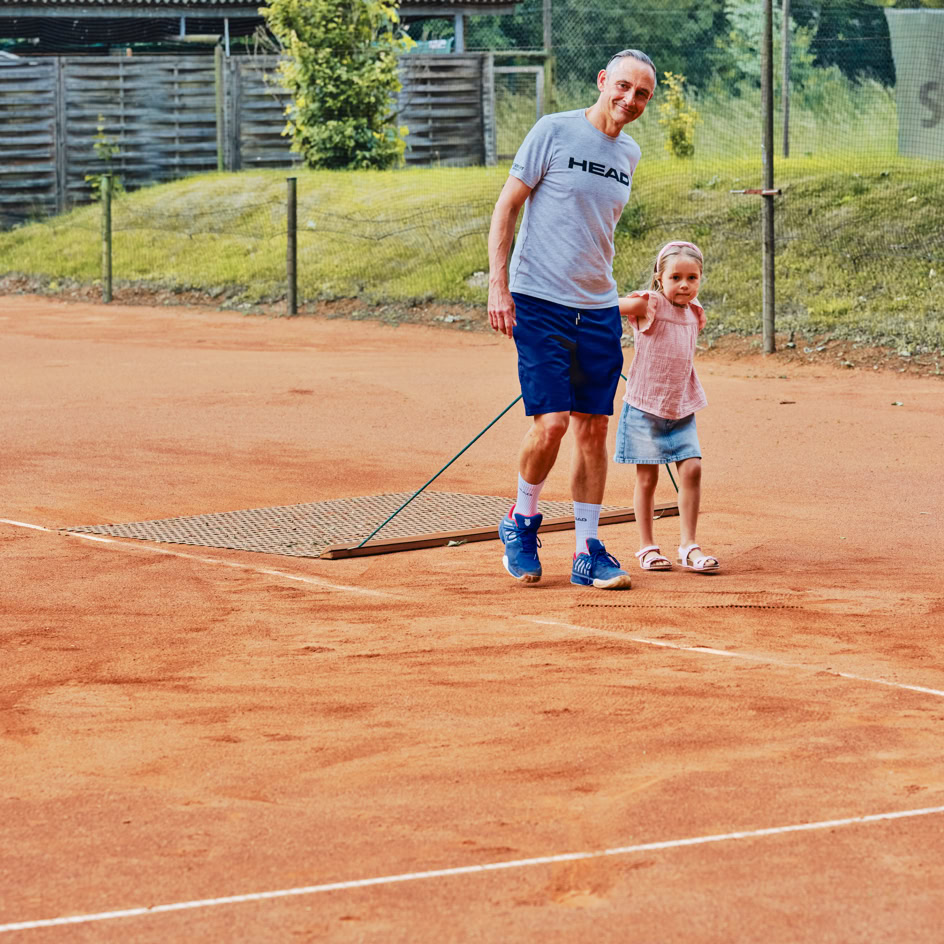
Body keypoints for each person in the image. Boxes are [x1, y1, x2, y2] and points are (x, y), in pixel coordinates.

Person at [487, 48, 657, 590]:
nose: (630, 100)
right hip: (538, 300)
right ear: (603, 79)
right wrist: (499, 284)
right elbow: (507, 206)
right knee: (553, 423)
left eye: (643, 94)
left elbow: (594, 232)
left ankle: (587, 551)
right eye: (624, 86)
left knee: (594, 428)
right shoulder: (553, 131)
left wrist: (617, 302)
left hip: (598, 309)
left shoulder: (629, 153)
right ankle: (521, 520)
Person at [614, 240, 720, 573]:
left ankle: (689, 546)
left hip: (681, 406)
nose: (684, 284)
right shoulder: (650, 304)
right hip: (646, 406)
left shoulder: (694, 312)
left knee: (693, 469)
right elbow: (609, 307)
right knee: (647, 478)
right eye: (676, 277)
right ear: (660, 278)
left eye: (692, 277)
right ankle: (647, 548)